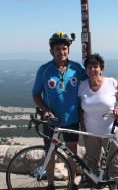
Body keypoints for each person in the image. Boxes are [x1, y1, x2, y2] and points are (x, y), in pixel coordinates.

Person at [32, 31, 84, 190]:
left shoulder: (77, 68)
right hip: (51, 120)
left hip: (72, 118)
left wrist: (114, 84)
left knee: (72, 153)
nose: (61, 51)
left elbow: (92, 83)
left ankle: (73, 182)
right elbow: (36, 94)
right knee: (50, 153)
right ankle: (50, 185)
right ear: (51, 51)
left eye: (64, 48)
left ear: (68, 50)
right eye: (57, 49)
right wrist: (45, 110)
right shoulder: (44, 70)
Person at [78, 53, 118, 185]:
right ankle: (95, 186)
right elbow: (80, 109)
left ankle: (116, 187)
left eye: (95, 66)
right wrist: (83, 129)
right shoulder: (81, 86)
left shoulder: (111, 82)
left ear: (101, 69)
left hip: (111, 130)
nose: (92, 69)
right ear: (86, 69)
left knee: (115, 162)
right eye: (89, 67)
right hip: (90, 132)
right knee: (92, 163)